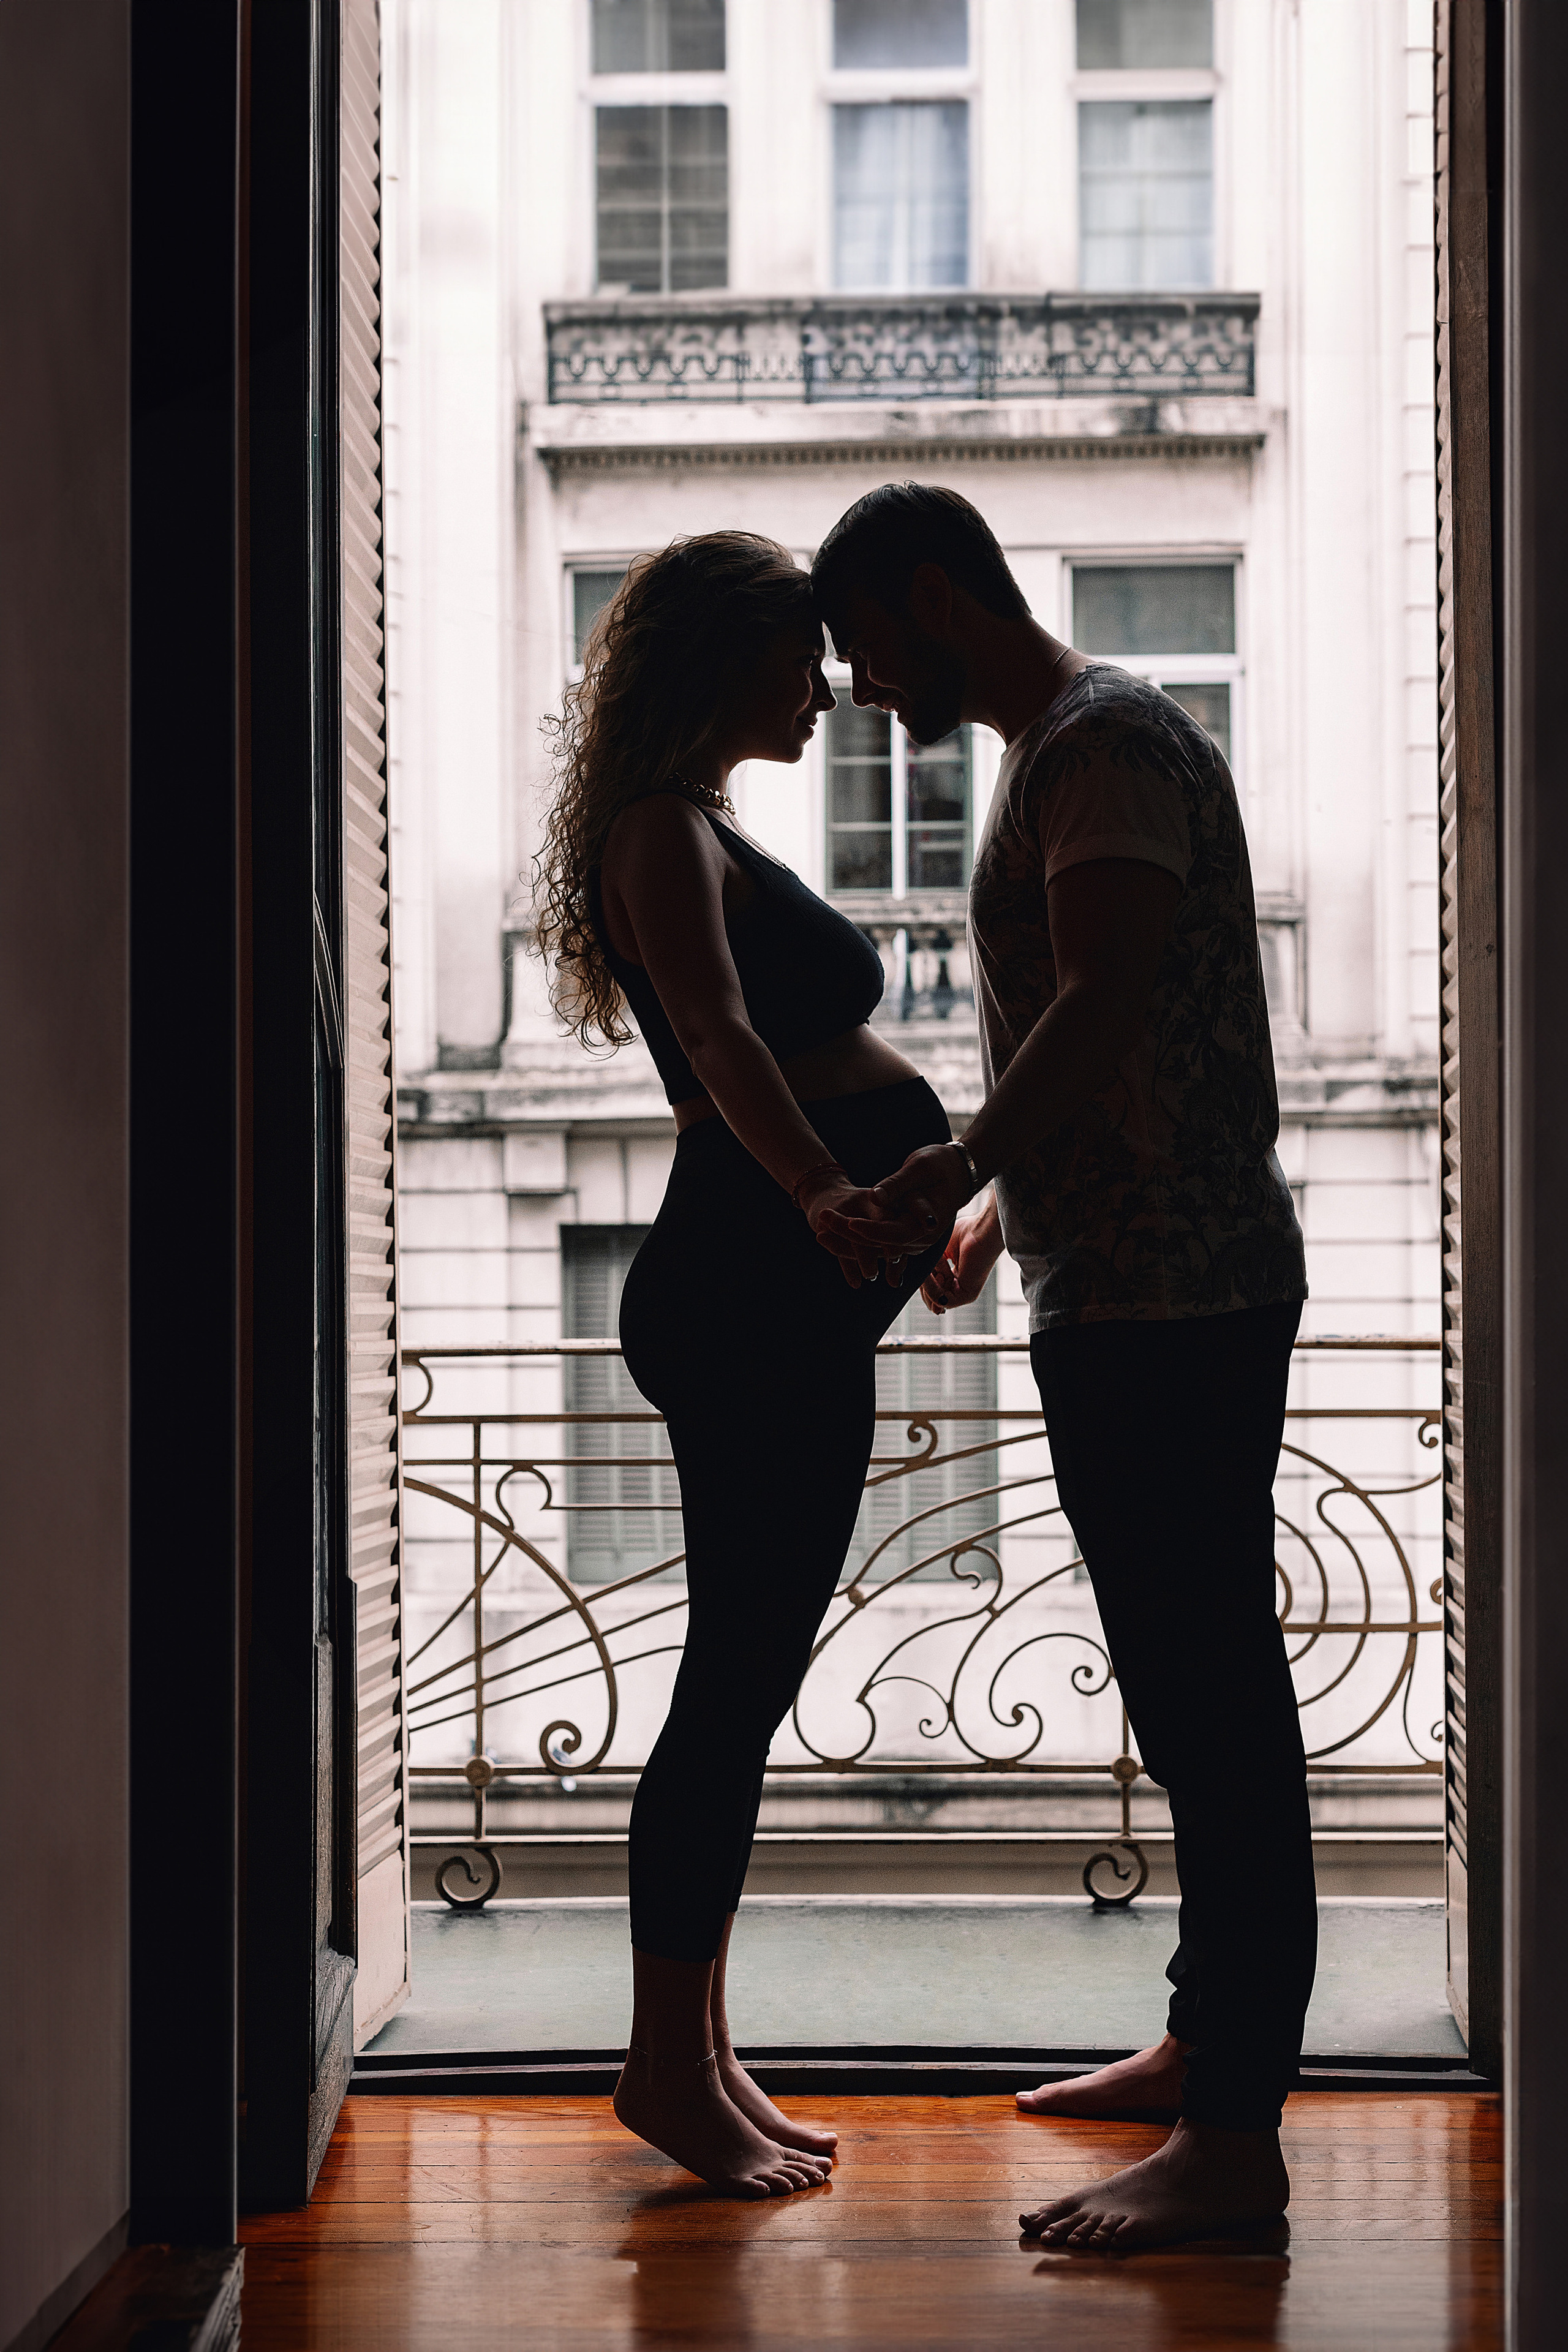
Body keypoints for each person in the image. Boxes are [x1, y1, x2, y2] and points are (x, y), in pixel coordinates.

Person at [811, 484, 1314, 2253]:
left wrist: (957, 1165)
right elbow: (1107, 1029)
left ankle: (1236, 2145)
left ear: (937, 598)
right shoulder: (1073, 747)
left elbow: (1102, 1001)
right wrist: (1001, 1212)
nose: (864, 686)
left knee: (1216, 1710)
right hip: (1129, 1285)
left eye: (868, 646)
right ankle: (1204, 2049)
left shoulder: (1098, 745)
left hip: (1175, 1299)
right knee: (1189, 1700)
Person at [534, 532, 949, 2198]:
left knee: (747, 1681)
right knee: (729, 1685)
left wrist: (910, 1216)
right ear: (721, 660)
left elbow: (792, 1041)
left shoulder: (700, 822)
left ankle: (701, 2053)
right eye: (801, 658)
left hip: (787, 1285)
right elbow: (715, 1038)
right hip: (747, 1286)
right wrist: (833, 1195)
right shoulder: (656, 828)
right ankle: (662, 2064)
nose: (827, 688)